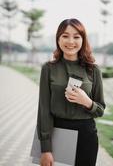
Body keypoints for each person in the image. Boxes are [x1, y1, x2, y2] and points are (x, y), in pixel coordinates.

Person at [37, 18, 106, 166]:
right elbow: (43, 110)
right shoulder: (48, 68)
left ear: (83, 39)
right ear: (58, 39)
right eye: (65, 36)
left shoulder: (93, 70)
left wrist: (87, 102)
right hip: (57, 132)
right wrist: (45, 148)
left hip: (86, 135)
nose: (70, 41)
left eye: (76, 36)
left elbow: (100, 110)